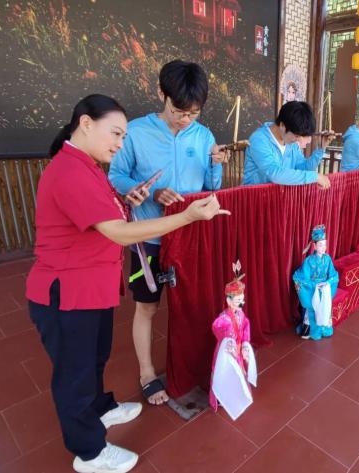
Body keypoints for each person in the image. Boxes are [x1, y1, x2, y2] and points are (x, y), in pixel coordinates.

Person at [26, 94, 229, 473]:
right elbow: (118, 232)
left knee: (95, 357)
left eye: (123, 135)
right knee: (74, 375)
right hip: (66, 292)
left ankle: (101, 408)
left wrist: (129, 199)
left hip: (91, 288)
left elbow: (108, 214)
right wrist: (187, 217)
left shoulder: (88, 166)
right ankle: (89, 452)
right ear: (86, 123)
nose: (121, 143)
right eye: (116, 133)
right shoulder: (69, 171)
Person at [109, 60, 228, 407]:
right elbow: (116, 176)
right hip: (149, 238)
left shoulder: (204, 136)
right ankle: (147, 373)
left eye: (193, 113)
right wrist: (150, 192)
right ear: (161, 93)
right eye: (179, 111)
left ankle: (193, 365)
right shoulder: (136, 132)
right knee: (147, 307)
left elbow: (211, 187)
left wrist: (216, 167)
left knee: (192, 305)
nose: (185, 119)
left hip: (191, 237)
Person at [242, 101, 333, 188]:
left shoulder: (291, 143)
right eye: (296, 136)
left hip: (277, 197)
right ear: (282, 125)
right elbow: (274, 174)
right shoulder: (259, 140)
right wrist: (314, 176)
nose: (298, 140)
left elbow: (303, 169)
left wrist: (321, 148)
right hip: (254, 196)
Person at [209, 264, 257, 420]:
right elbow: (216, 327)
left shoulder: (241, 315)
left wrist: (245, 344)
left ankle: (236, 393)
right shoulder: (224, 318)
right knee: (226, 372)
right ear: (229, 301)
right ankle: (221, 397)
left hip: (238, 349)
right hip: (227, 351)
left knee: (238, 372)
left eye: (242, 300)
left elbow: (246, 326)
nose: (241, 303)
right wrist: (228, 342)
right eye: (238, 301)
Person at [293, 225, 339, 341]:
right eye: (320, 245)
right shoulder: (308, 261)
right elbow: (302, 278)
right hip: (313, 290)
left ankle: (324, 329)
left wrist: (328, 283)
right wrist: (315, 286)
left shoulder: (327, 259)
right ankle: (311, 331)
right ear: (314, 246)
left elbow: (333, 275)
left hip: (325, 289)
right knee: (312, 309)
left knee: (325, 308)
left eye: (325, 244)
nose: (323, 248)